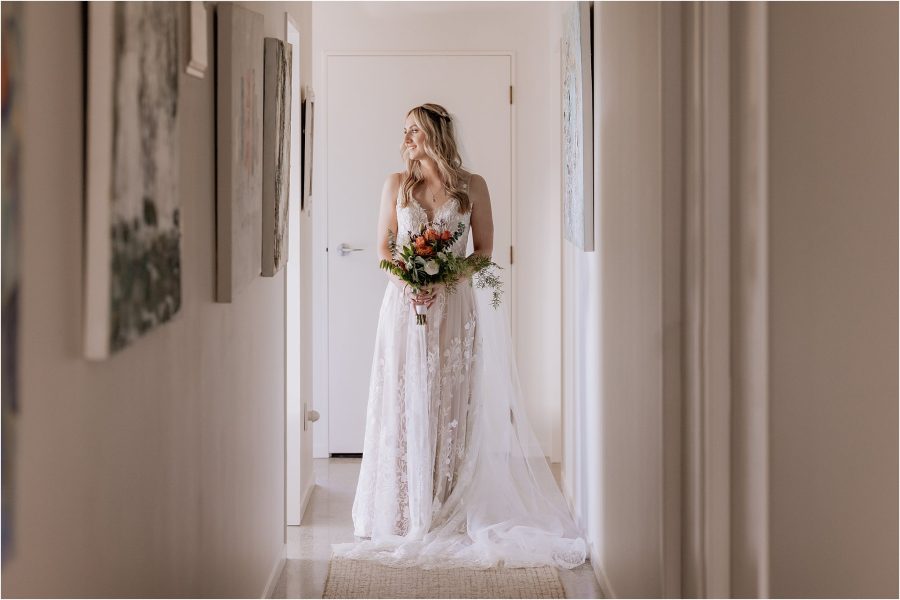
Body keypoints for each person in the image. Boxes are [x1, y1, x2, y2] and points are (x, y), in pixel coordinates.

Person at [333, 103, 587, 570]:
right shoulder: (395, 184)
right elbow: (384, 249)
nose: (406, 139)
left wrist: (444, 280)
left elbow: (484, 250)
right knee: (404, 400)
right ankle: (406, 507)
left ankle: (449, 500)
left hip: (455, 309)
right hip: (404, 311)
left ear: (434, 134)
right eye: (404, 130)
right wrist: (410, 284)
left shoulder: (473, 187)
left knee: (450, 399)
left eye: (414, 130)